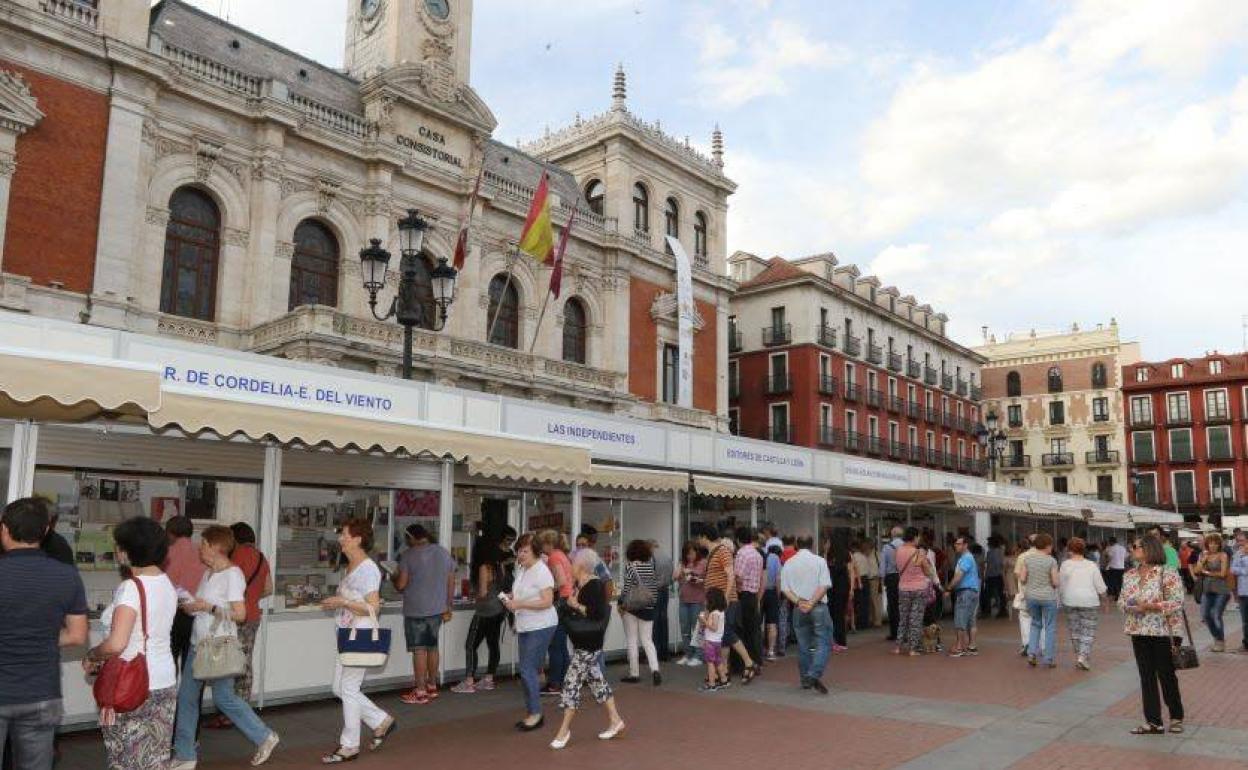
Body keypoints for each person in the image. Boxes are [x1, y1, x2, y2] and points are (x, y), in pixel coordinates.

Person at [171, 525, 279, 769]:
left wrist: (207, 607)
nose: (200, 548)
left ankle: (264, 736)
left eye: (204, 544)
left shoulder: (233, 574)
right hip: (199, 644)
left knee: (223, 698)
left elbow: (240, 614)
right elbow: (205, 605)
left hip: (217, 646)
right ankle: (185, 754)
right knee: (188, 697)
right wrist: (192, 606)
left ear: (216, 547)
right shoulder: (209, 573)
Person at [0, 498, 88, 770]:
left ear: (4, 529)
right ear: (46, 530)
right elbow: (77, 636)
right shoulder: (67, 575)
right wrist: (41, 635)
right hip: (42, 692)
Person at [83, 517, 177, 770]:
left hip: (131, 683)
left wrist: (93, 655)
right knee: (156, 758)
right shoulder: (167, 583)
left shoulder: (131, 588)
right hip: (164, 680)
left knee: (125, 759)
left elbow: (116, 644)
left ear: (126, 551)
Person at [318, 518, 396, 763]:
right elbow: (354, 600)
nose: (340, 538)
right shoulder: (351, 566)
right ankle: (380, 720)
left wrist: (342, 601)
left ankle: (349, 745)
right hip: (347, 633)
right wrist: (340, 602)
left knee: (348, 688)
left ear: (358, 539)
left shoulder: (368, 569)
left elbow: (373, 607)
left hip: (359, 633)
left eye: (344, 534)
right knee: (339, 688)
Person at [549, 549, 625, 749]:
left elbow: (596, 613)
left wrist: (575, 605)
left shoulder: (594, 585)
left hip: (589, 644)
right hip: (583, 642)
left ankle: (564, 730)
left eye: (572, 562)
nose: (570, 566)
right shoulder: (580, 584)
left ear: (581, 566)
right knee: (597, 681)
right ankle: (615, 720)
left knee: (570, 683)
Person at [205, 523, 271, 729]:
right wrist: (251, 598)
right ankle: (243, 710)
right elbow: (269, 588)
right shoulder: (261, 557)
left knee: (228, 663)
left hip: (234, 618)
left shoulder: (233, 558)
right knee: (245, 663)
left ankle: (229, 712)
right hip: (253, 616)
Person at [1120, 535, 1185, 735]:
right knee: (1146, 676)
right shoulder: (1130, 574)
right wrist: (1130, 606)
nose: (1132, 549)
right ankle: (1153, 722)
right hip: (1138, 629)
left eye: (1135, 546)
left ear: (1148, 548)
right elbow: (1121, 601)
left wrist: (1150, 606)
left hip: (1164, 631)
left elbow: (1177, 602)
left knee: (1166, 675)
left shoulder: (1167, 572)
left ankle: (1176, 717)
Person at [392, 524, 456, 704]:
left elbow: (401, 584)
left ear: (411, 537)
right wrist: (448, 605)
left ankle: (420, 691)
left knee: (419, 650)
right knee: (432, 647)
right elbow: (451, 580)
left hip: (416, 609)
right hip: (437, 609)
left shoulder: (408, 555)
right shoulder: (443, 552)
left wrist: (394, 576)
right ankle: (432, 686)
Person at [502, 534, 557, 732]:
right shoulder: (523, 569)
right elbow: (523, 593)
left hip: (541, 625)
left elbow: (547, 601)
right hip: (526, 624)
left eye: (525, 551)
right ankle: (533, 711)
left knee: (527, 669)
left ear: (535, 551)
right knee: (528, 670)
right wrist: (511, 597)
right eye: (519, 550)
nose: (521, 554)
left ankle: (535, 713)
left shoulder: (541, 571)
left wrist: (519, 604)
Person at [690, 523, 758, 683]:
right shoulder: (713, 553)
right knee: (723, 637)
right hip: (716, 601)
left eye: (699, 537)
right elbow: (718, 576)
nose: (698, 541)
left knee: (726, 633)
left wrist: (726, 598)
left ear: (704, 537)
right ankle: (724, 670)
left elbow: (730, 575)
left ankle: (749, 662)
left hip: (725, 601)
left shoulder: (722, 551)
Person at [453, 525, 515, 694]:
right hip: (499, 609)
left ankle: (469, 681)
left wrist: (473, 596)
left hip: (485, 610)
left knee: (470, 645)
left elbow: (483, 592)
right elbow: (501, 586)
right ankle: (488, 679)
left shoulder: (483, 567)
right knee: (493, 644)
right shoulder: (500, 565)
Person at [780, 535, 832, 694]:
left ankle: (805, 678)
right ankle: (813, 674)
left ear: (797, 544)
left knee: (803, 644)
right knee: (823, 641)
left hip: (799, 607)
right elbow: (824, 585)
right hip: (818, 606)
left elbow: (785, 589)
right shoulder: (819, 561)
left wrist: (799, 602)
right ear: (812, 544)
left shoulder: (789, 563)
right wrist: (812, 602)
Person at [1059, 537, 1107, 670]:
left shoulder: (1065, 565)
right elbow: (1100, 585)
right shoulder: (1091, 565)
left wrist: (1061, 598)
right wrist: (1105, 600)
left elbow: (1061, 584)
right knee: (1088, 630)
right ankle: (1082, 656)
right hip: (1089, 601)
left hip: (1070, 600)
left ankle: (1080, 654)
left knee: (1074, 629)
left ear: (1069, 550)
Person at [163, 515, 204, 672]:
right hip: (197, 612)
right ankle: (189, 689)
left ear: (170, 533)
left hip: (172, 613)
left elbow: (164, 586)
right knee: (191, 662)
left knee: (169, 659)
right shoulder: (202, 552)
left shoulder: (166, 553)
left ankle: (171, 689)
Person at [536, 530, 574, 696]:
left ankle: (554, 683)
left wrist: (546, 589)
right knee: (562, 644)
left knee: (555, 645)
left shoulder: (553, 557)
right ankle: (565, 680)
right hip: (568, 601)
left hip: (560, 602)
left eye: (542, 544)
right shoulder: (563, 555)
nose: (541, 548)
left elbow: (561, 581)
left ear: (548, 544)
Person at [619, 539, 661, 686]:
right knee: (647, 640)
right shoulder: (650, 566)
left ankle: (634, 673)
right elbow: (654, 588)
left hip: (632, 607)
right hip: (648, 607)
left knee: (632, 639)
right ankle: (655, 669)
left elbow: (627, 588)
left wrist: (621, 603)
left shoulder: (630, 567)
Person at [1019, 532, 1060, 669]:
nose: (1052, 548)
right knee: (1050, 627)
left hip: (1031, 597)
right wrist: (1053, 583)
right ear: (1047, 546)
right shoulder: (1051, 561)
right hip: (1048, 597)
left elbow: (1022, 579)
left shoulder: (1027, 559)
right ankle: (1048, 658)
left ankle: (1031, 654)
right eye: (1051, 545)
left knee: (1035, 624)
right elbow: (1055, 582)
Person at [893, 528, 934, 656]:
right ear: (915, 537)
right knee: (915, 619)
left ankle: (898, 646)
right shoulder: (918, 552)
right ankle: (913, 648)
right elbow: (927, 571)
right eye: (918, 537)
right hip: (919, 588)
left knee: (903, 618)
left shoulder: (898, 550)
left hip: (903, 588)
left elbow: (897, 567)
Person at [1193, 533, 1231, 653]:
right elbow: (1196, 571)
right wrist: (1203, 560)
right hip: (1207, 589)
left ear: (1219, 544)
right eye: (1210, 543)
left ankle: (1220, 641)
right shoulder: (1203, 555)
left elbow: (1223, 574)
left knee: (1216, 615)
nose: (1213, 545)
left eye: (1215, 543)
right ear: (1207, 544)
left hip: (1221, 590)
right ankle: (1217, 637)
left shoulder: (1223, 555)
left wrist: (1207, 572)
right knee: (1205, 615)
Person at [733, 527, 765, 669]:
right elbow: (760, 577)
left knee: (741, 630)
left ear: (738, 540)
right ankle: (756, 661)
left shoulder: (741, 553)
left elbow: (738, 576)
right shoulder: (758, 554)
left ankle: (743, 664)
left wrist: (735, 586)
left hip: (743, 595)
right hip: (753, 596)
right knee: (753, 631)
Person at [946, 535, 980, 657]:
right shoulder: (968, 557)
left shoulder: (966, 558)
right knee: (971, 620)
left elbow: (958, 576)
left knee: (960, 619)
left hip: (965, 591)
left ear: (965, 545)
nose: (955, 546)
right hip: (973, 591)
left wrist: (949, 588)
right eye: (955, 543)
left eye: (958, 544)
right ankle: (972, 646)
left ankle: (959, 647)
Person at [674, 542, 706, 667]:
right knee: (685, 629)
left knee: (697, 629)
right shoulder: (683, 563)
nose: (690, 556)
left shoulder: (702, 563)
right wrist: (681, 568)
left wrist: (691, 574)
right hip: (684, 600)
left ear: (697, 552)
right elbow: (675, 576)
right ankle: (688, 654)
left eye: (692, 553)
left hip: (697, 601)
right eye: (687, 554)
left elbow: (702, 579)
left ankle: (698, 656)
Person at [699, 588, 729, 691]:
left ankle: (712, 684)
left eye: (707, 599)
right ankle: (724, 680)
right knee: (718, 661)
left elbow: (714, 628)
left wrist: (704, 621)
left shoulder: (714, 613)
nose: (705, 601)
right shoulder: (721, 612)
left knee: (710, 662)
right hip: (718, 641)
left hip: (710, 641)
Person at [649, 539, 675, 662]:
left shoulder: (651, 558)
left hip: (654, 591)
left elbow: (649, 575)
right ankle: (665, 652)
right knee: (663, 620)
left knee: (654, 622)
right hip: (665, 590)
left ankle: (655, 652)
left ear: (650, 547)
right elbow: (672, 574)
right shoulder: (667, 556)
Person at [824, 541, 852, 652]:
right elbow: (850, 571)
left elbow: (824, 569)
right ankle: (840, 641)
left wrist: (825, 552)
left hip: (833, 588)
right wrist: (851, 589)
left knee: (832, 615)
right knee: (839, 615)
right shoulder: (845, 555)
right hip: (842, 588)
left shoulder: (830, 557)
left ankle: (834, 641)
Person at [881, 526, 904, 642]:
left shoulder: (887, 547)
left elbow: (883, 566)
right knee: (904, 605)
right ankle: (905, 632)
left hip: (891, 578)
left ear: (892, 535)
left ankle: (894, 633)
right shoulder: (906, 547)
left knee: (892, 606)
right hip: (904, 577)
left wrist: (882, 578)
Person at [762, 543, 782, 657]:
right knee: (772, 623)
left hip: (759, 591)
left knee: (758, 622)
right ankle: (771, 650)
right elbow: (778, 578)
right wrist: (778, 595)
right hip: (772, 592)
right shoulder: (775, 558)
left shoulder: (760, 554)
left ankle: (759, 650)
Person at [981, 535, 1007, 619]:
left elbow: (994, 565)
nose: (987, 544)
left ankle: (988, 610)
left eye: (988, 542)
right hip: (997, 575)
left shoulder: (992, 552)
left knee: (988, 594)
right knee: (999, 594)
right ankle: (1002, 610)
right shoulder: (999, 551)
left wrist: (986, 575)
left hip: (993, 575)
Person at [1231, 530, 1248, 653]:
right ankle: (1246, 643)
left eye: (1241, 540)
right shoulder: (1238, 553)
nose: (1239, 543)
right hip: (1243, 591)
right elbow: (1232, 569)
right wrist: (1244, 571)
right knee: (1245, 621)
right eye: (1238, 541)